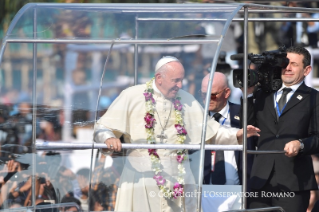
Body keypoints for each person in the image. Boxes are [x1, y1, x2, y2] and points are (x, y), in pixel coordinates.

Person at [94, 56, 260, 212]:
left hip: (179, 178)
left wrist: (237, 134)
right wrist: (108, 138)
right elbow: (103, 126)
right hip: (142, 178)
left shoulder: (186, 100)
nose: (180, 85)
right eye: (176, 80)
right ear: (159, 78)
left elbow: (210, 133)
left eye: (181, 79)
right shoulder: (132, 96)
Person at [243, 46, 319, 212]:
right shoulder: (262, 94)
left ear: (307, 70)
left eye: (294, 64)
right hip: (260, 181)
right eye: (285, 63)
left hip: (294, 182)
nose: (288, 68)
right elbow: (247, 127)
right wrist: (248, 94)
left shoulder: (314, 98)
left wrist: (301, 144)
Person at [201, 72, 255, 186]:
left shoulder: (243, 114)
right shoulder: (197, 117)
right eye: (203, 95)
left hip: (241, 188)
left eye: (213, 95)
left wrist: (248, 94)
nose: (207, 99)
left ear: (226, 93)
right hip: (205, 188)